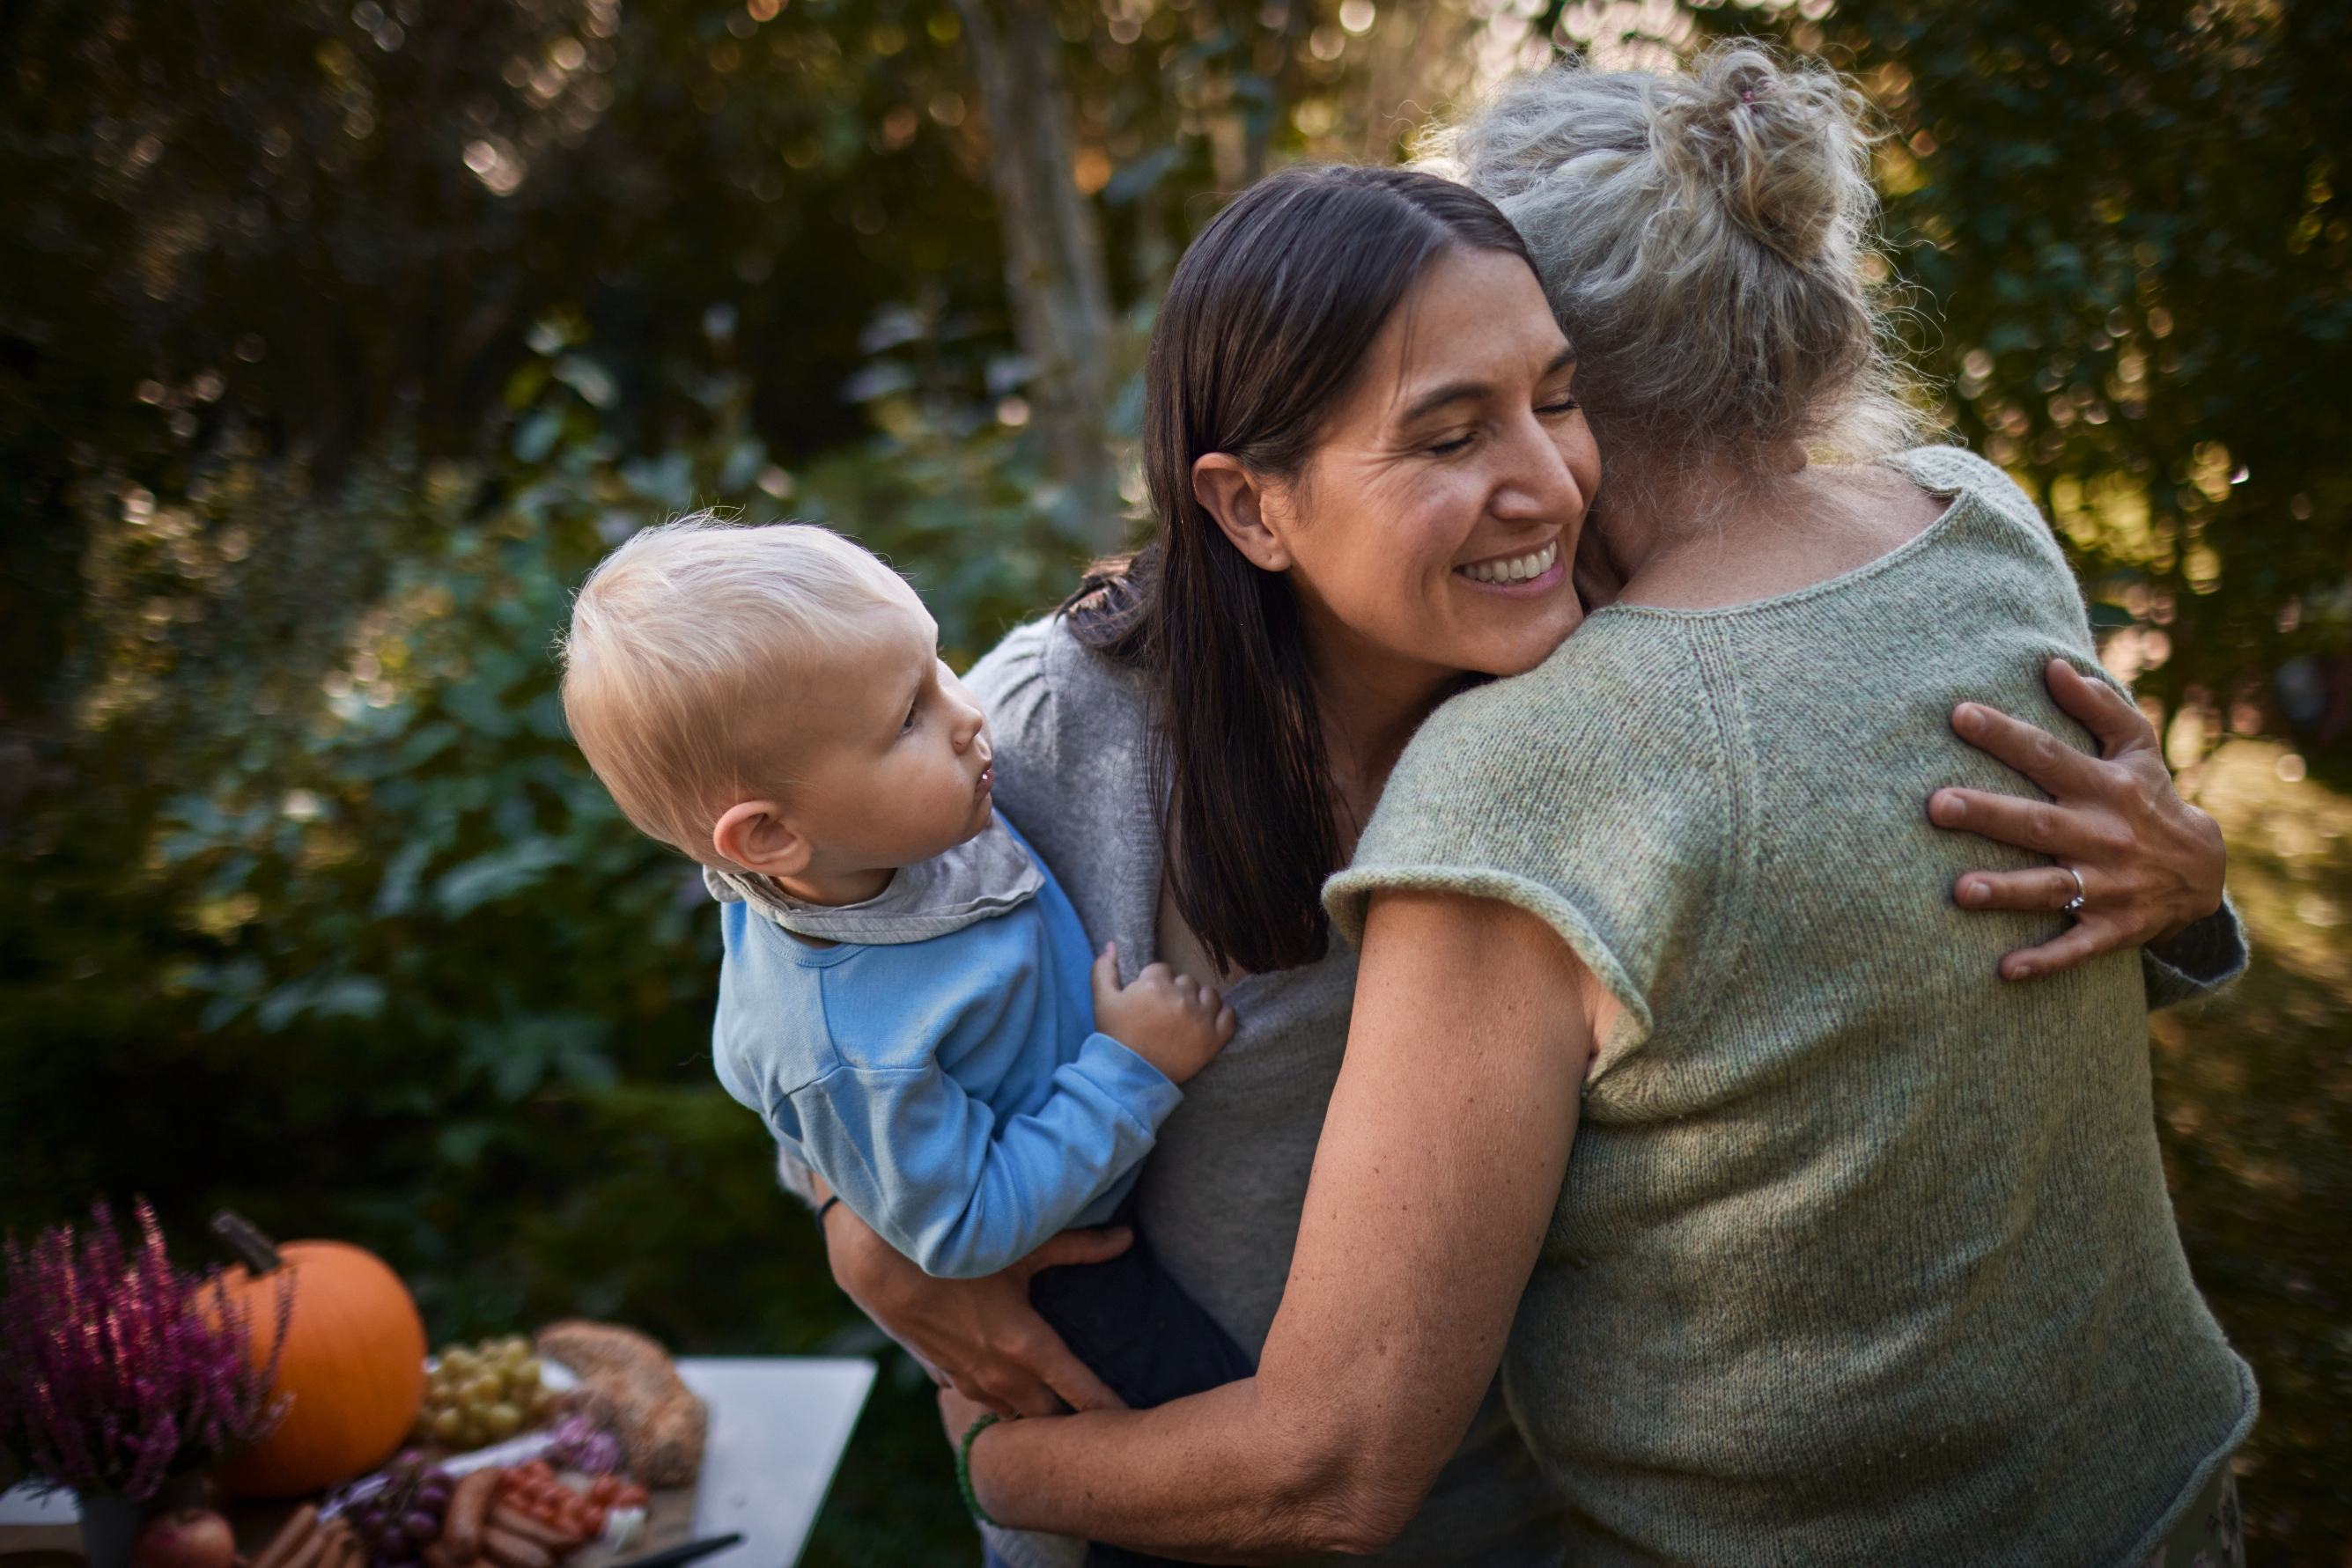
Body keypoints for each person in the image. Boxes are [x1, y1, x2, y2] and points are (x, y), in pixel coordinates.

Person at [930, 47, 2252, 1568]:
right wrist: (876, 1228)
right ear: (1249, 503)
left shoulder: (1544, 716)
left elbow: (1926, 995)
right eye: (1446, 423)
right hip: (2142, 1494)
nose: (1537, 480)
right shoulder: (1967, 525)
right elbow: (842, 986)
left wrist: (990, 1462)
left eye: (1551, 395)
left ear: (1591, 363)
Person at [557, 518, 1253, 1425]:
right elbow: (963, 1227)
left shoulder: (881, 837)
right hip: (1064, 1276)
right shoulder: (850, 1041)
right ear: (768, 835)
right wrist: (1132, 1068)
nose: (967, 715)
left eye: (938, 665)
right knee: (1217, 1445)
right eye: (908, 716)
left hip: (1088, 1183)